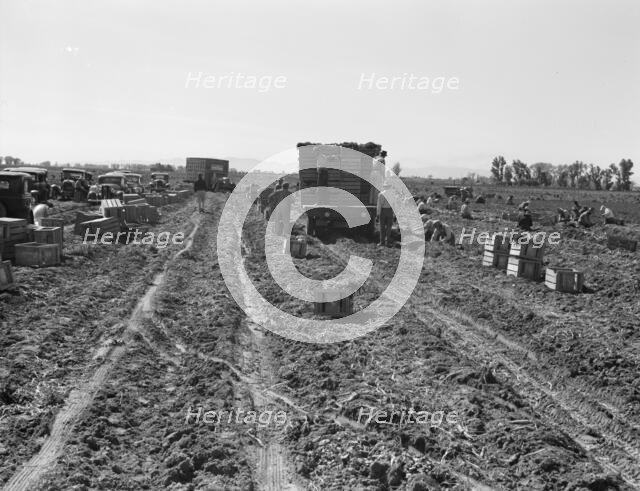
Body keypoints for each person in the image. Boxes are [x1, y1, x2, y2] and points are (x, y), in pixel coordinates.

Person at [376, 182, 394, 246]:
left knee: (382, 227)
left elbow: (379, 205)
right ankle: (388, 242)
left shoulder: (381, 194)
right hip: (390, 211)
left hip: (383, 211)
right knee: (389, 227)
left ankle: (382, 242)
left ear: (384, 187)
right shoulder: (392, 194)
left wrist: (378, 214)